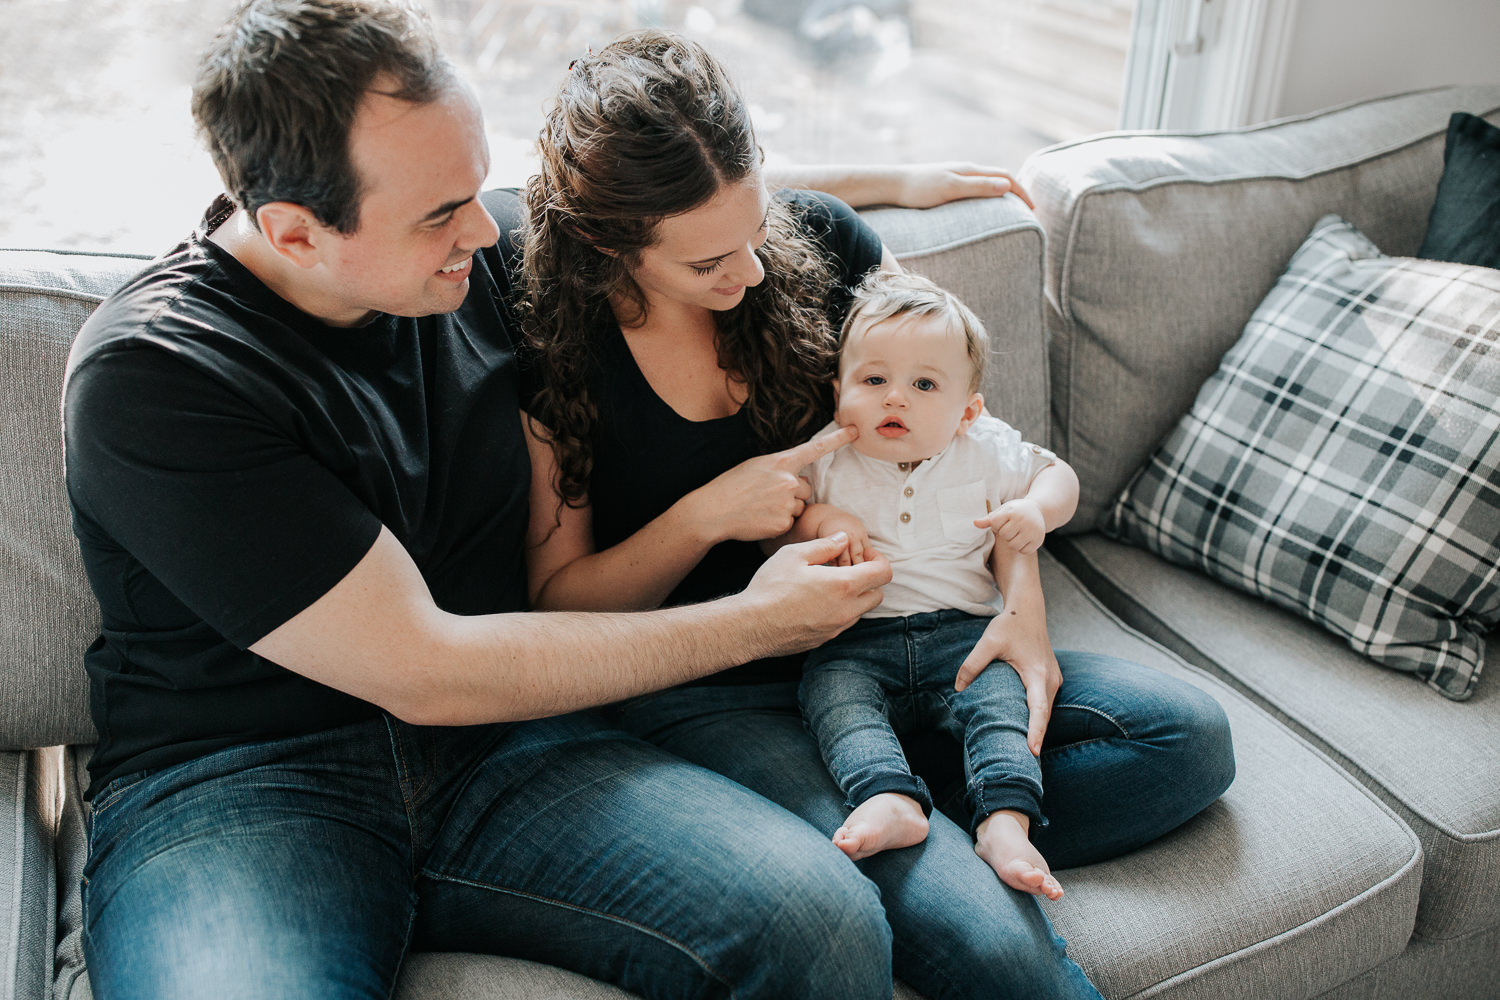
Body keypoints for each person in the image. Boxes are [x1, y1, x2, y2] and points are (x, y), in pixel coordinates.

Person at [56, 2, 1030, 997]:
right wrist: (752, 622)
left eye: (474, 189)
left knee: (819, 921)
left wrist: (895, 181)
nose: (484, 230)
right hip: (248, 781)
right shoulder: (156, 377)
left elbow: (665, 207)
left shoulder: (463, 253)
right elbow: (424, 668)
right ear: (295, 235)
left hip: (508, 751)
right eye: (442, 214)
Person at [519, 28, 1236, 1000]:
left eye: (755, 228)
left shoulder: (817, 246)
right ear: (609, 241)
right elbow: (561, 602)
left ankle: (904, 794)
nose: (753, 275)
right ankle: (906, 813)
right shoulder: (555, 346)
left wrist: (1020, 605)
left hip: (906, 641)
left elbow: (974, 442)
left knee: (1186, 738)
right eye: (708, 264)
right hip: (716, 687)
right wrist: (707, 514)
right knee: (995, 950)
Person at [785, 268, 1081, 902]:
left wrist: (1037, 511)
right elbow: (785, 520)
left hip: (966, 637)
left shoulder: (985, 448)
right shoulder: (829, 456)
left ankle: (1005, 822)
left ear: (967, 410)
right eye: (873, 380)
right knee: (832, 698)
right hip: (856, 638)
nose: (896, 398)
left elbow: (1058, 475)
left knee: (1005, 712)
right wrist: (821, 519)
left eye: (924, 384)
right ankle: (888, 796)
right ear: (839, 391)